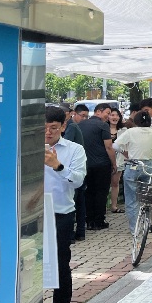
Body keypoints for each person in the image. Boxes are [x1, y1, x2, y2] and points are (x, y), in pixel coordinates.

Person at [44, 106, 87, 303]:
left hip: (60, 213)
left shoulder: (74, 150)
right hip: (30, 215)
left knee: (60, 264)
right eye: (44, 128)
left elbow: (78, 180)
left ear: (63, 126)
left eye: (53, 128)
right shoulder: (25, 147)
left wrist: (58, 166)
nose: (48, 132)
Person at [113, 111, 152, 234]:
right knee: (149, 197)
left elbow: (115, 146)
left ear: (136, 121)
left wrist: (125, 153)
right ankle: (150, 223)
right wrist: (149, 152)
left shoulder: (130, 132)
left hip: (133, 165)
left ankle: (135, 229)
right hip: (148, 166)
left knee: (132, 199)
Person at [77, 102, 116, 231]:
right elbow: (109, 147)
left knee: (88, 192)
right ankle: (99, 221)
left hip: (85, 164)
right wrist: (114, 163)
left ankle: (89, 220)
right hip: (102, 165)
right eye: (107, 113)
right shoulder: (103, 126)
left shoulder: (81, 124)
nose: (108, 116)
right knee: (101, 192)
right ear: (98, 111)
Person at [70, 103, 90, 241]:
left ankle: (73, 233)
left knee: (75, 202)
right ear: (74, 114)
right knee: (80, 202)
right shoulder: (75, 126)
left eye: (86, 116)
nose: (84, 119)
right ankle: (80, 231)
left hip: (73, 170)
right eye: (82, 116)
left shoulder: (72, 127)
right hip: (80, 169)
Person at [108, 108, 127, 213]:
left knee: (115, 183)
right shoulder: (103, 128)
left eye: (117, 115)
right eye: (112, 115)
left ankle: (114, 206)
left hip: (119, 160)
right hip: (105, 160)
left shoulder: (124, 130)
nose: (114, 117)